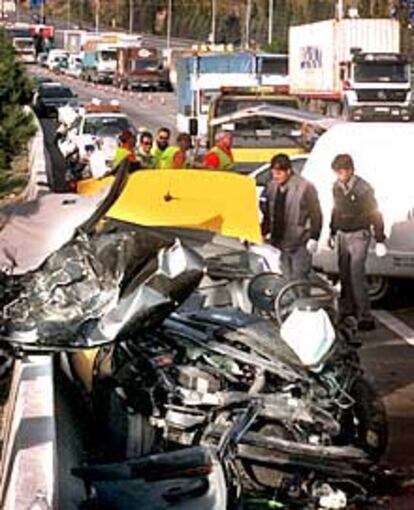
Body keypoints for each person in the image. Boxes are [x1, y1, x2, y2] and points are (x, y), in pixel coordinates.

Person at [330, 154, 386, 331]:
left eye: (342, 172)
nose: (340, 176)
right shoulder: (336, 187)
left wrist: (379, 238)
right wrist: (332, 231)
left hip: (359, 233)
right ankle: (348, 311)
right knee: (344, 274)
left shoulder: (363, 189)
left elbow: (375, 212)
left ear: (350, 170)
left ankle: (364, 316)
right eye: (337, 172)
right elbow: (336, 209)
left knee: (356, 275)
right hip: (342, 234)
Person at [260, 153, 322, 281]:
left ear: (288, 171)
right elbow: (268, 214)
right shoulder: (271, 187)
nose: (275, 176)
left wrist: (314, 237)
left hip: (299, 242)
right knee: (283, 280)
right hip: (279, 243)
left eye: (279, 173)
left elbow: (316, 213)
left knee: (299, 279)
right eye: (273, 173)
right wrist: (261, 232)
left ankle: (303, 301)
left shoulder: (305, 187)